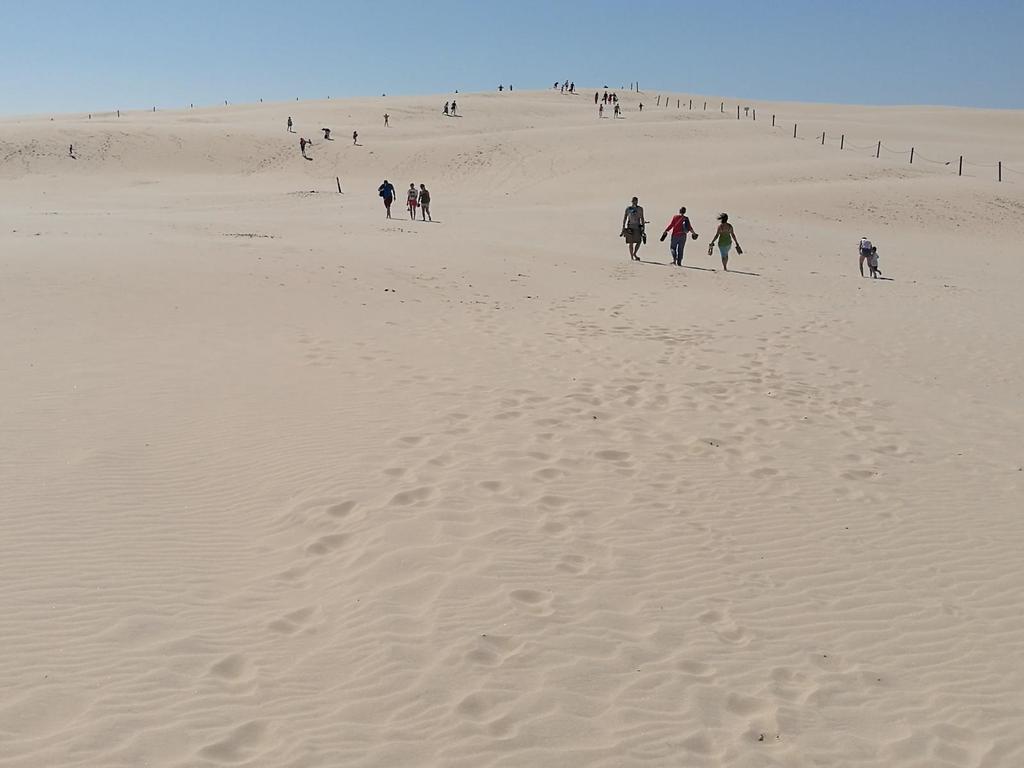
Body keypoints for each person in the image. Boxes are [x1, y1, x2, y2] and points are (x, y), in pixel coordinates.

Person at [621, 197, 646, 261]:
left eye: (635, 201)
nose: (634, 202)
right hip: (630, 227)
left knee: (639, 241)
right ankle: (632, 257)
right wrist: (623, 228)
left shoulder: (640, 209)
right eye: (633, 201)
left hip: (637, 227)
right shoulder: (628, 209)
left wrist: (643, 228)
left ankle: (634, 253)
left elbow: (642, 218)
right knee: (630, 242)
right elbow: (625, 218)